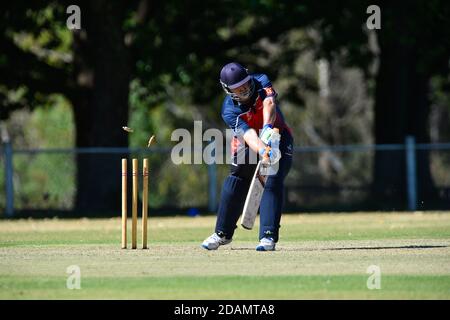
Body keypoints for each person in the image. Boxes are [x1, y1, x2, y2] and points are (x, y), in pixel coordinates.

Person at [201, 62, 293, 251]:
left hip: (279, 134)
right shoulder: (229, 110)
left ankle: (268, 237)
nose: (245, 90)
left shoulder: (261, 80)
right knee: (236, 178)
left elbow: (269, 103)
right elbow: (248, 134)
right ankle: (222, 234)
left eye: (246, 85)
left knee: (272, 178)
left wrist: (267, 129)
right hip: (249, 140)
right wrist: (263, 149)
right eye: (238, 89)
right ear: (228, 90)